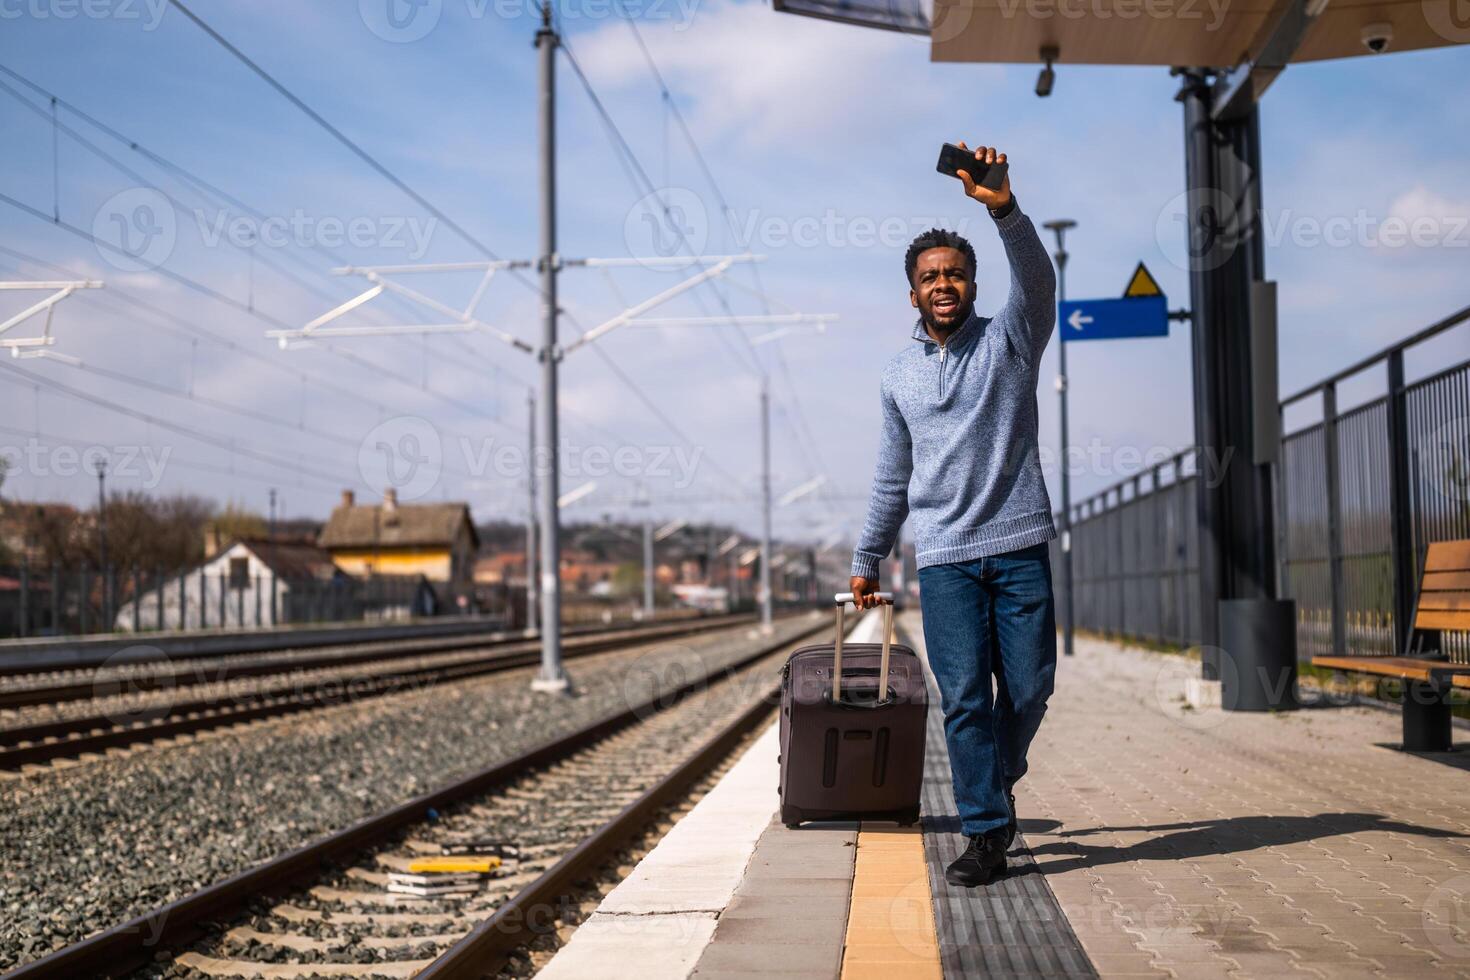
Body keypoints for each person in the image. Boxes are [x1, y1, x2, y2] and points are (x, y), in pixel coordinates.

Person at [849, 143, 1058, 887]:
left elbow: (1037, 279)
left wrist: (1003, 210)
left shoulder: (1011, 340)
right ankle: (985, 832)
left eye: (955, 273)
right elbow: (891, 475)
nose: (944, 284)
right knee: (965, 698)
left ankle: (994, 776)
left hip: (1019, 542)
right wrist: (867, 556)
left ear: (972, 284)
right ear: (913, 295)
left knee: (1030, 689)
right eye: (930, 277)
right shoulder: (897, 374)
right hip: (943, 560)